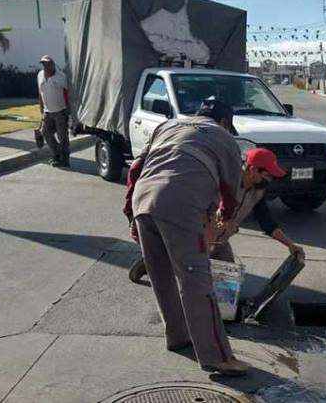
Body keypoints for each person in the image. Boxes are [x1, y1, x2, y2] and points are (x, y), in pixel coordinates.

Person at [131, 100, 249, 376]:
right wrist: (225, 217)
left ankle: (178, 335)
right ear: (222, 121)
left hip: (143, 200)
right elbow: (231, 190)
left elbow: (136, 169)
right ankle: (216, 357)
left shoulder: (168, 125)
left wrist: (131, 214)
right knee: (196, 279)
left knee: (161, 275)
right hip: (180, 205)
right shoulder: (224, 138)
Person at [128, 147, 305, 279]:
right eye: (266, 176)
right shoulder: (224, 180)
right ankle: (151, 261)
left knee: (229, 277)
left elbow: (268, 223)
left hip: (219, 240)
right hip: (197, 233)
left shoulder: (257, 192)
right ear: (252, 170)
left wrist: (290, 245)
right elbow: (196, 205)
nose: (269, 180)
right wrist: (211, 223)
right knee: (187, 273)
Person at [37, 55, 71, 167]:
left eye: (47, 64)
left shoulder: (61, 77)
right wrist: (41, 107)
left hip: (60, 111)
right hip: (47, 112)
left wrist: (69, 110)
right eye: (43, 64)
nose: (45, 67)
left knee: (63, 137)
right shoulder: (40, 75)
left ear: (53, 64)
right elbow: (40, 93)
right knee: (46, 133)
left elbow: (68, 93)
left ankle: (65, 159)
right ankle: (56, 155)